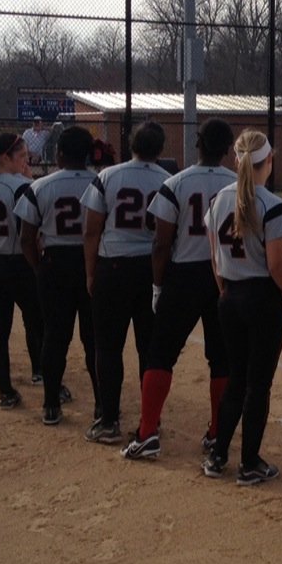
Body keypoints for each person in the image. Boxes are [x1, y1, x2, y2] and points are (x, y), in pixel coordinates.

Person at [118, 118, 236, 461]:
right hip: (222, 275)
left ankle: (147, 433)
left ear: (197, 144)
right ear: (228, 149)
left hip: (183, 275)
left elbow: (160, 243)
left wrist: (157, 286)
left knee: (160, 354)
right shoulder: (237, 184)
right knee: (221, 359)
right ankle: (217, 433)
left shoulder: (175, 183)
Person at [201, 130, 282, 485]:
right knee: (258, 385)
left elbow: (215, 257)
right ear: (268, 162)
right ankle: (249, 461)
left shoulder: (219, 199)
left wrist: (225, 289)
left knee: (236, 381)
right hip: (262, 300)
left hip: (230, 297)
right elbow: (276, 265)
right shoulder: (271, 203)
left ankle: (218, 454)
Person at [81, 122, 172, 444]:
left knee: (107, 347)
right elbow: (168, 234)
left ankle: (108, 420)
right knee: (149, 348)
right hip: (150, 269)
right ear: (160, 149)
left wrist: (91, 273)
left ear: (131, 144)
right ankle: (151, 418)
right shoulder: (167, 180)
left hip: (113, 266)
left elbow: (92, 230)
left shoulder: (107, 176)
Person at [15, 126, 99, 426]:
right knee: (95, 340)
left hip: (55, 263)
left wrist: (39, 267)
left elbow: (27, 237)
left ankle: (51, 404)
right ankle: (102, 405)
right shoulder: (101, 182)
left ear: (59, 153)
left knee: (54, 336)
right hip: (92, 263)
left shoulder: (41, 186)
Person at [0, 133, 45, 409]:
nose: (27, 160)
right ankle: (49, 383)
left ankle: (5, 390)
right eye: (22, 156)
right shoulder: (21, 186)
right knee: (40, 323)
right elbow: (31, 232)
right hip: (17, 262)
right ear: (5, 158)